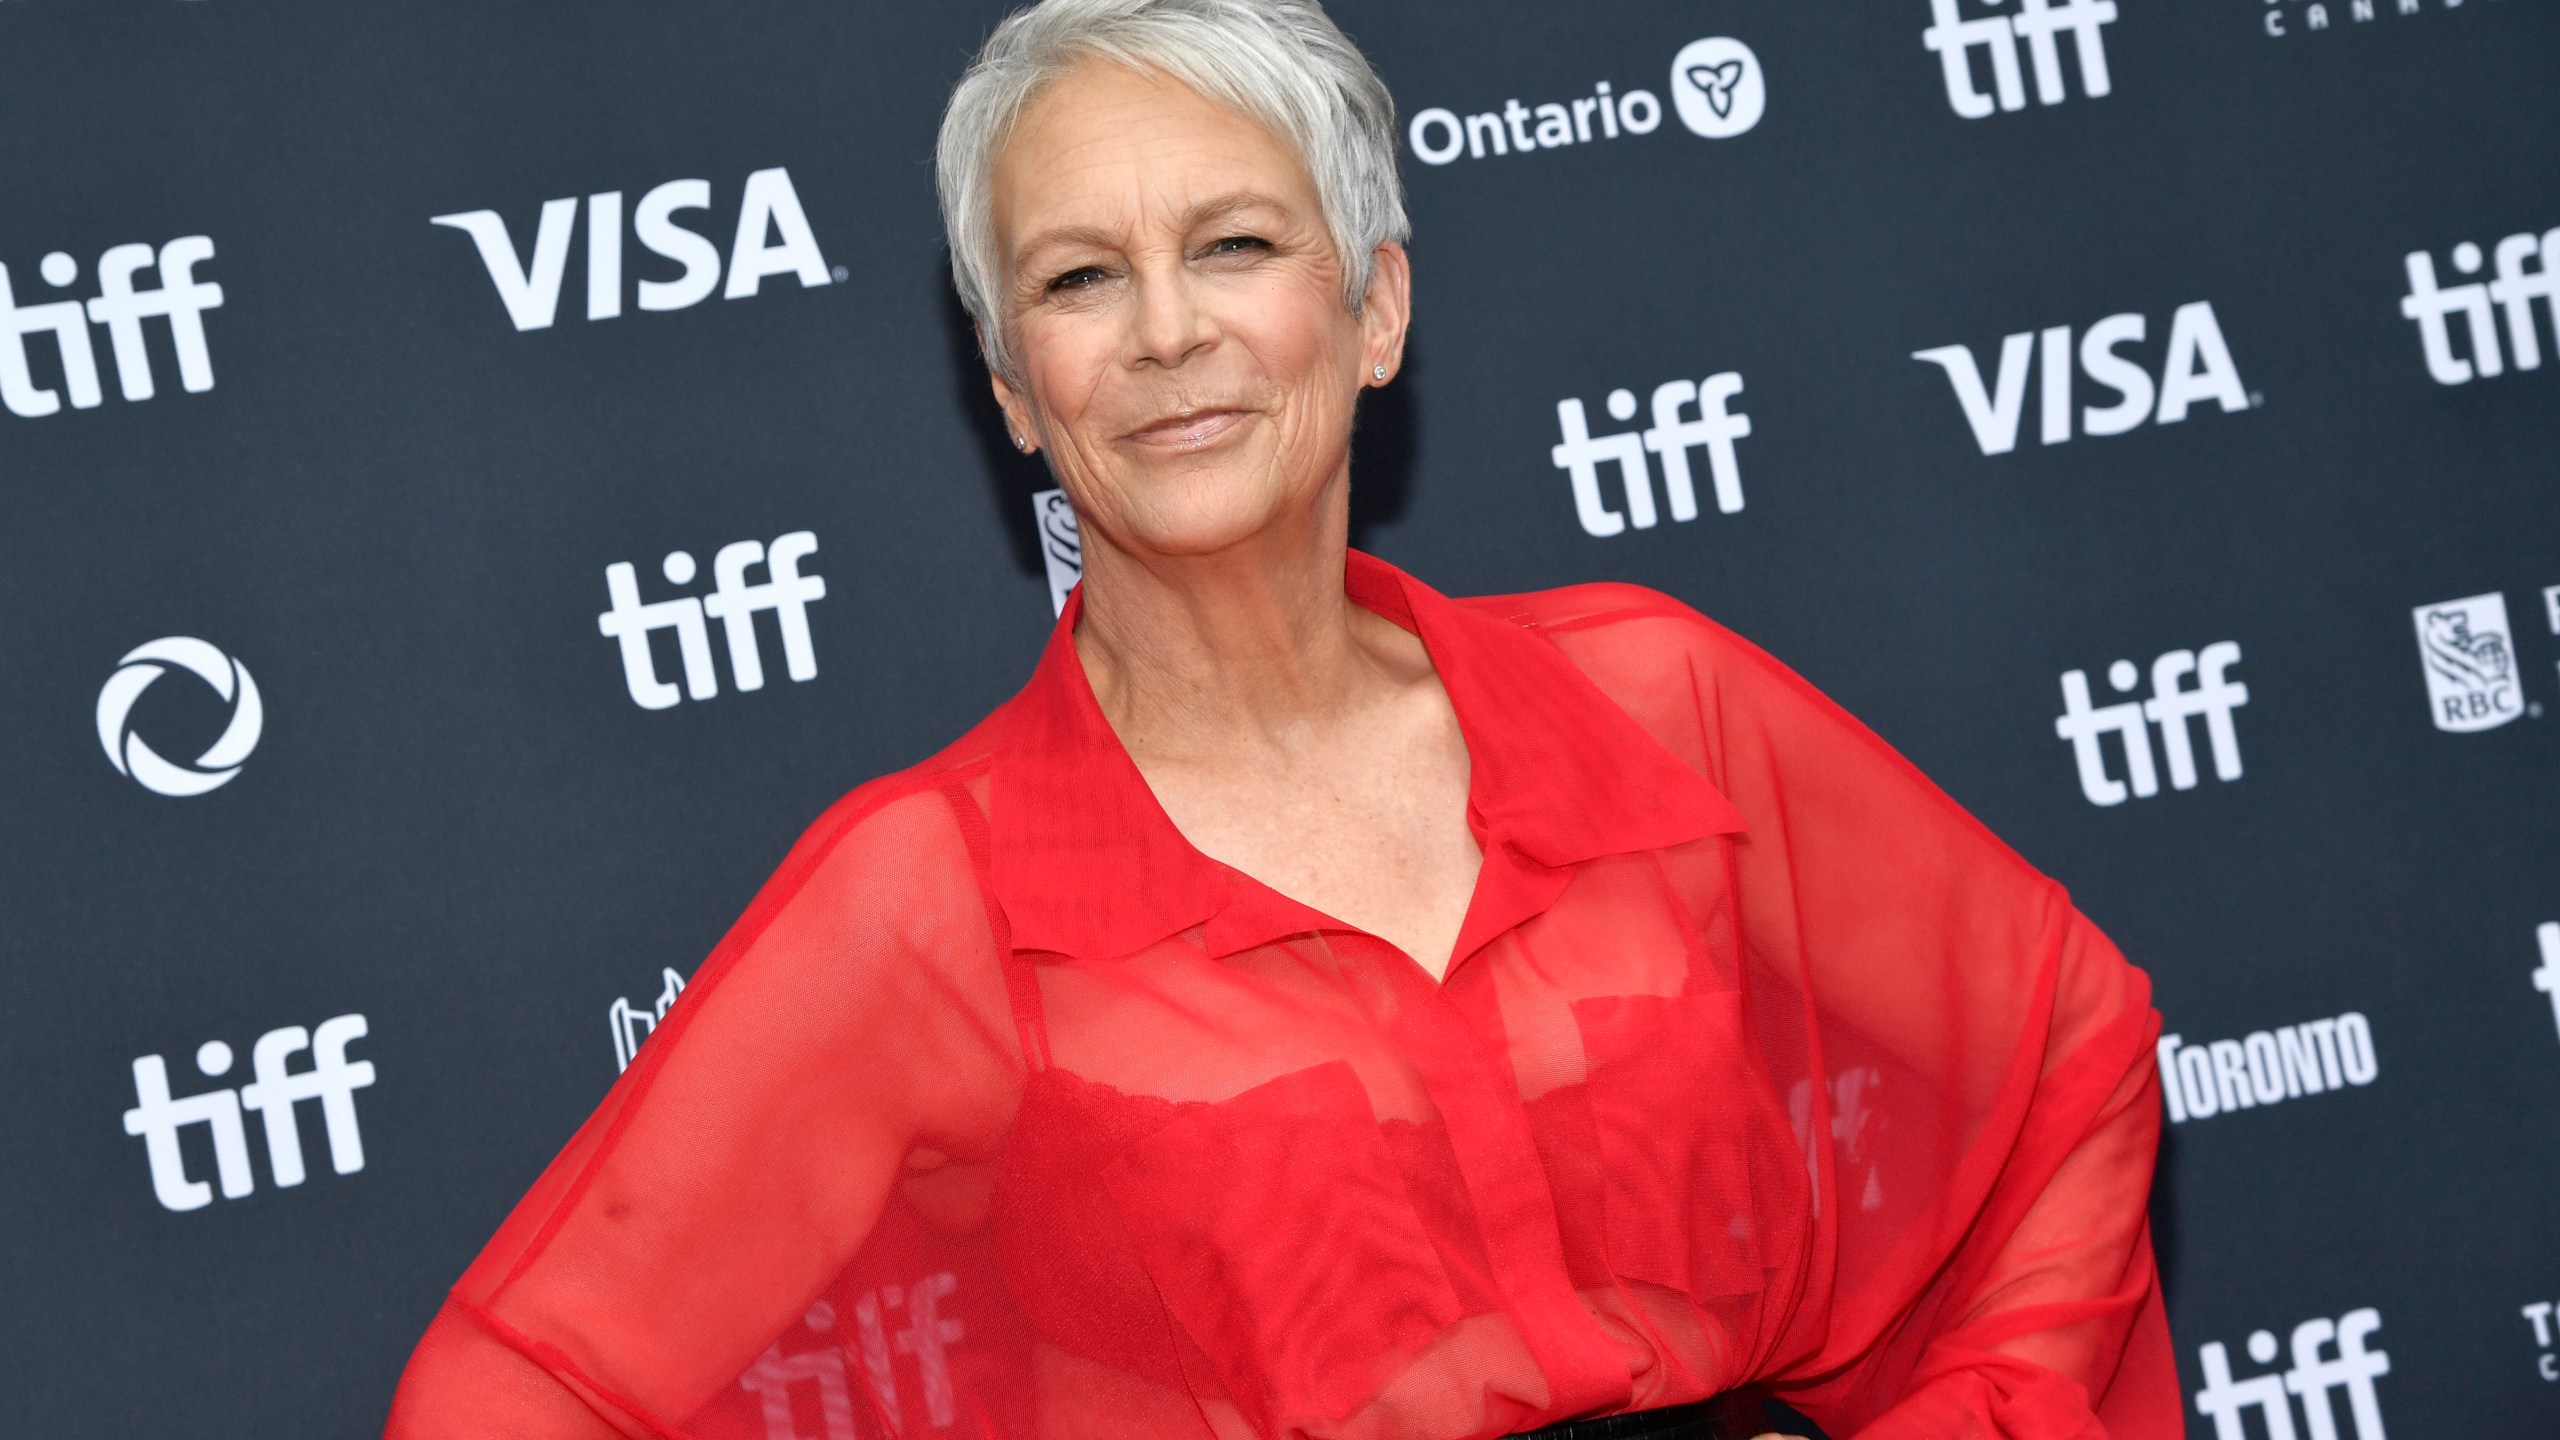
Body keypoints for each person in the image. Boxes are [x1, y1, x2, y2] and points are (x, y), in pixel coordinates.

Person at [384, 1, 2178, 1436]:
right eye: (1080, 279)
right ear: (1017, 391)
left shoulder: (1651, 700)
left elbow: (2065, 1058)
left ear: (1373, 306)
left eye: (1233, 242)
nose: (1166, 332)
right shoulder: (930, 890)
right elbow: (521, 1393)